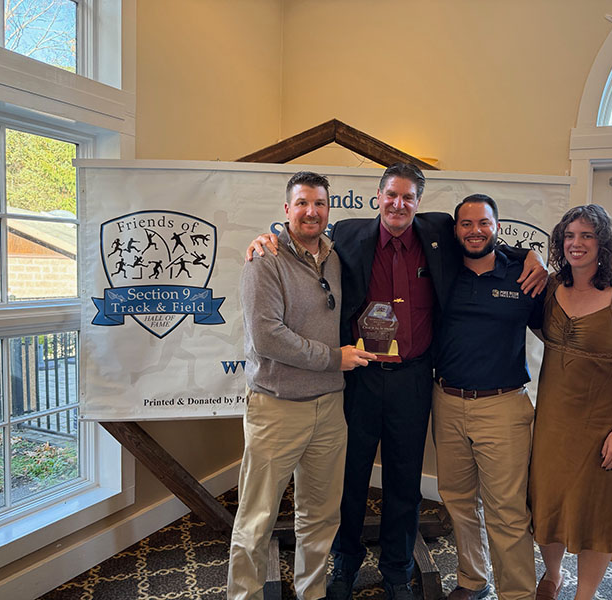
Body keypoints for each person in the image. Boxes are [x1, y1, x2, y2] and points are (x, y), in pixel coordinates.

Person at [246, 164, 547, 600]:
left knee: (405, 482)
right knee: (351, 478)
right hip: (360, 378)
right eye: (391, 195)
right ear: (378, 196)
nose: (398, 204)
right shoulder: (347, 234)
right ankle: (345, 565)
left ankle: (396, 570)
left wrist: (531, 257)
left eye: (408, 197)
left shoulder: (440, 232)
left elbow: (485, 240)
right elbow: (300, 235)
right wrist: (265, 237)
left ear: (419, 203)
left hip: (414, 379)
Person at [228, 171, 375, 600]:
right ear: (287, 209)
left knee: (320, 515)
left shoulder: (335, 254)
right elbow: (267, 336)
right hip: (276, 408)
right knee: (256, 519)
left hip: (330, 408)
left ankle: (312, 593)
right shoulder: (264, 260)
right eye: (303, 203)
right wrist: (335, 359)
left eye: (320, 204)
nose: (311, 212)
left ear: (329, 210)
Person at [528, 204, 612, 600]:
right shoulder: (549, 289)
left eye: (587, 236)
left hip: (605, 423)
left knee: (595, 513)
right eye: (569, 236)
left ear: (604, 244)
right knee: (549, 502)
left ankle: (586, 593)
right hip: (553, 421)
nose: (576, 244)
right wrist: (526, 256)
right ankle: (553, 574)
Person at [432, 195, 543, 600]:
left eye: (484, 223)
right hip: (446, 400)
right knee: (458, 500)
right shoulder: (441, 272)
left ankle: (516, 594)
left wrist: (530, 255)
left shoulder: (524, 276)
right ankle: (471, 579)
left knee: (508, 511)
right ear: (455, 229)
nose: (475, 231)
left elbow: (555, 330)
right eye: (466, 224)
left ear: (498, 227)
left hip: (504, 406)